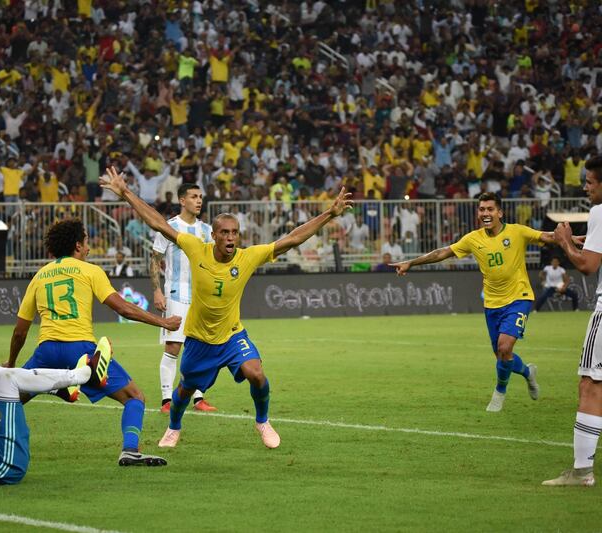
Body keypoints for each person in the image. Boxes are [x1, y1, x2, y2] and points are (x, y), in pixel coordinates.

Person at [101, 166, 352, 449]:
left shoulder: (248, 257)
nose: (231, 237)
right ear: (215, 235)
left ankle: (262, 420)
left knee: (256, 373)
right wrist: (125, 193)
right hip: (199, 339)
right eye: (225, 233)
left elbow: (292, 239)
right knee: (185, 389)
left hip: (232, 336)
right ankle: (173, 426)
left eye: (235, 232)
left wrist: (329, 214)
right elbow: (159, 224)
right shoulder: (197, 248)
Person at [4, 218, 182, 466]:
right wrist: (163, 323)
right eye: (86, 242)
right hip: (81, 352)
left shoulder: (39, 276)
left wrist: (11, 363)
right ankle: (130, 450)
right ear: (77, 245)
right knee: (134, 397)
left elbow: (19, 332)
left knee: (7, 399)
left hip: (45, 351)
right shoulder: (90, 271)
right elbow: (124, 309)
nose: (88, 248)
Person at [391, 191, 569, 412]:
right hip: (492, 304)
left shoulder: (517, 232)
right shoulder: (473, 239)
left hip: (519, 298)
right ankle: (527, 372)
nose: (485, 213)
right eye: (482, 209)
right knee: (502, 356)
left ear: (500, 212)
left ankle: (499, 392)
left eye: (490, 209)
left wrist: (569, 240)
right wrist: (411, 262)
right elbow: (442, 252)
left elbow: (548, 236)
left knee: (505, 347)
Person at [544, 155, 602, 486]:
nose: (585, 187)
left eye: (591, 181)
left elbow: (588, 266)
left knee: (591, 384)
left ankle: (581, 471)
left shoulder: (599, 213)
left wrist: (565, 241)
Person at [151, 183, 217, 414]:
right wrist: (157, 290)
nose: (199, 201)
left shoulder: (207, 231)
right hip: (176, 294)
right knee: (173, 346)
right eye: (193, 197)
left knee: (200, 347)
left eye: (200, 197)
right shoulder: (169, 228)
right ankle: (167, 400)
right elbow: (155, 258)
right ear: (182, 200)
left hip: (200, 298)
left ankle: (198, 397)